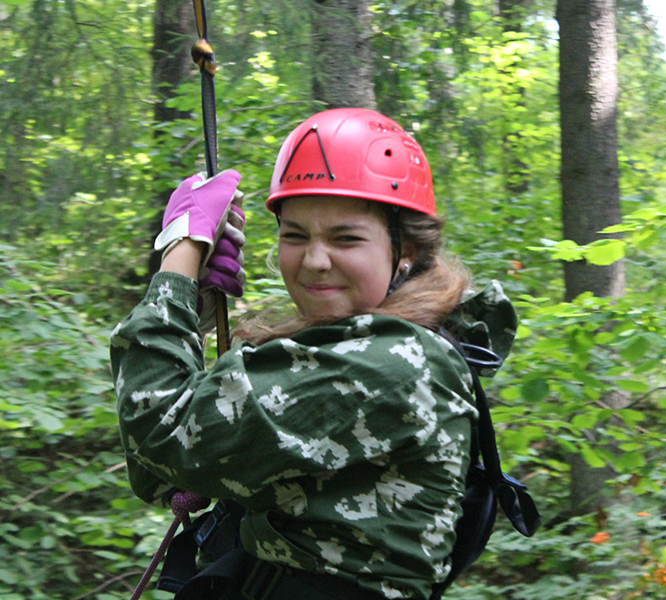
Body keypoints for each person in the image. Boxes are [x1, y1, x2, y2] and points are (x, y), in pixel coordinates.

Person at [110, 108, 517, 600]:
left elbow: (160, 432)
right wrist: (192, 308)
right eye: (294, 235)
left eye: (346, 238)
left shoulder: (393, 364)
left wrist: (179, 256)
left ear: (404, 248)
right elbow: (160, 472)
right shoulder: (340, 349)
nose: (315, 261)